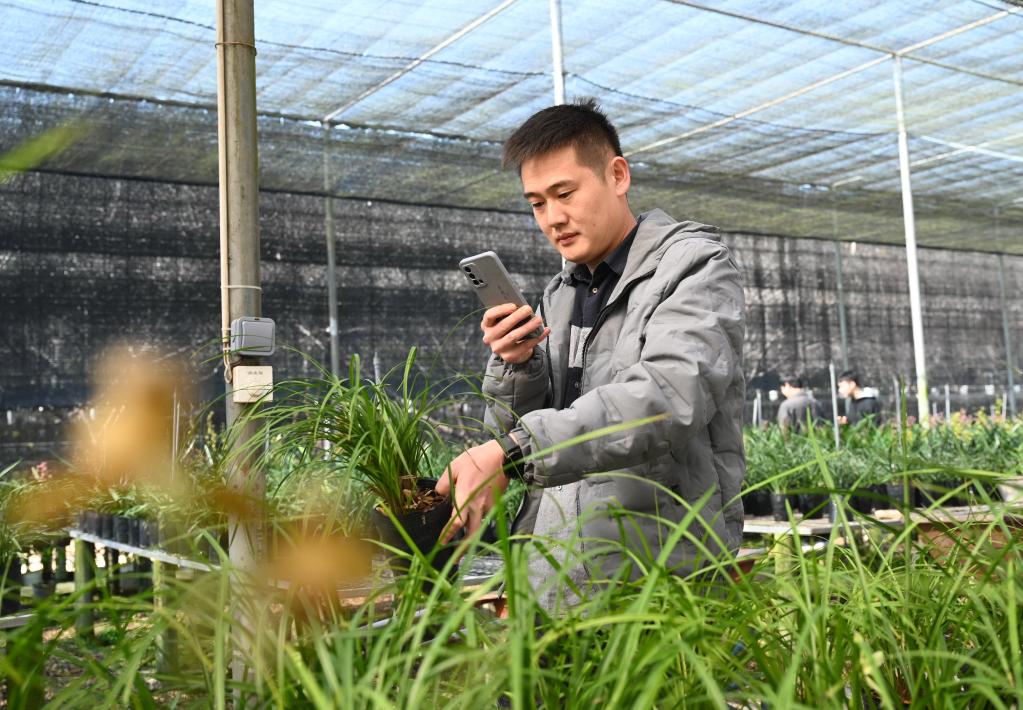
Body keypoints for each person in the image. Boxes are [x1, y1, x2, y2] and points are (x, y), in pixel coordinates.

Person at [436, 100, 746, 606]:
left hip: (658, 577)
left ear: (617, 175)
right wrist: (518, 366)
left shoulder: (694, 269)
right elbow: (524, 431)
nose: (553, 218)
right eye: (537, 203)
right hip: (556, 572)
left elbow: (667, 398)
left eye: (565, 193)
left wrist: (513, 450)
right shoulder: (560, 292)